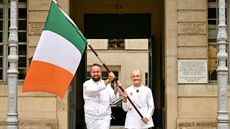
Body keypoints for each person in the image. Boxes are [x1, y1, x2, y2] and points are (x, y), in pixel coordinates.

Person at [83, 63, 119, 129]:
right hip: (91, 117)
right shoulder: (86, 84)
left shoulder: (107, 85)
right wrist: (109, 80)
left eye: (97, 72)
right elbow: (94, 91)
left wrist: (116, 91)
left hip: (105, 117)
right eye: (94, 72)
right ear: (90, 73)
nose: (96, 74)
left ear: (101, 73)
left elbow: (112, 100)